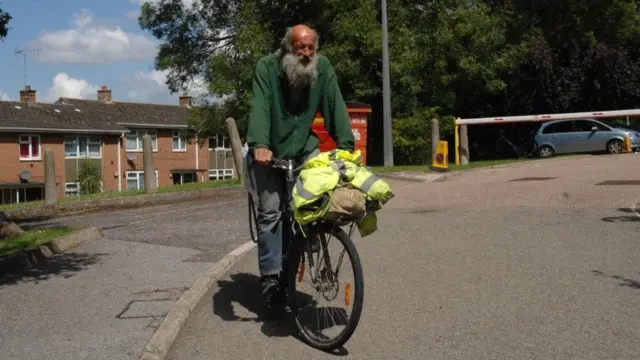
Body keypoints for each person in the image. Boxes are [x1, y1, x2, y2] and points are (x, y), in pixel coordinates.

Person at [245, 24, 355, 308]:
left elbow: (334, 104)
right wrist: (260, 144)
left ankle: (310, 243)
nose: (305, 53)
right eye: (299, 47)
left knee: (312, 205)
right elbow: (260, 107)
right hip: (269, 152)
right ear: (287, 48)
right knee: (270, 212)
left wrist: (346, 146)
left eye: (310, 47)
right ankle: (270, 278)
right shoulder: (267, 68)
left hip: (304, 148)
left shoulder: (322, 68)